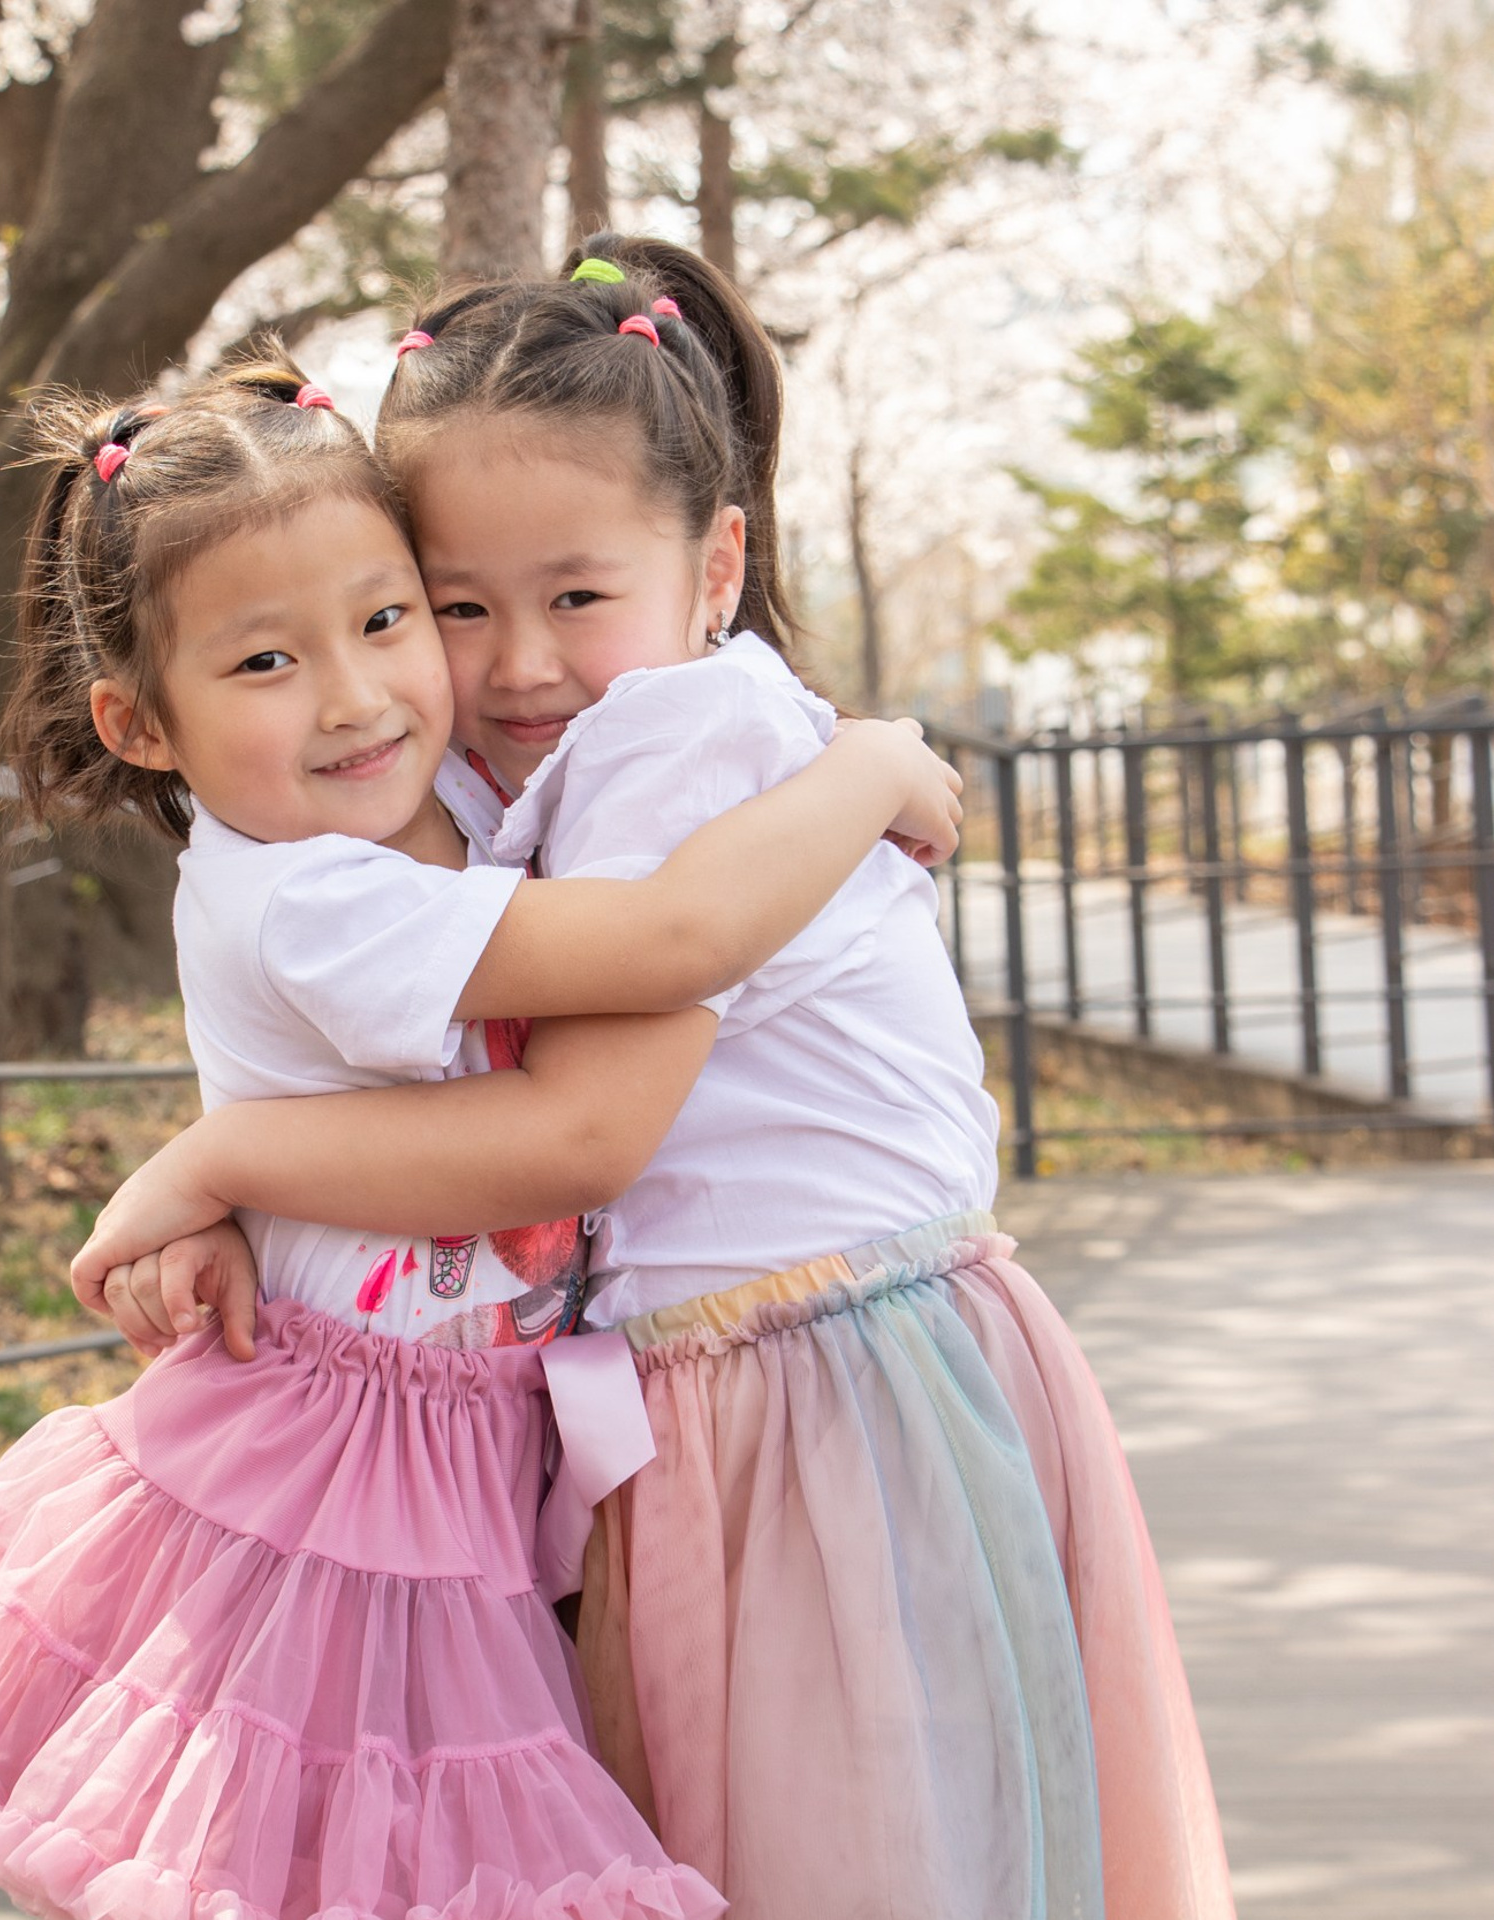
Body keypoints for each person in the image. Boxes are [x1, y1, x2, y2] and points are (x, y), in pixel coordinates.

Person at [73, 240, 1238, 1920]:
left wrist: (224, 1158)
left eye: (575, 596)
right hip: (755, 1375)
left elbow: (599, 1097)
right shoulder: (511, 787)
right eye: (460, 608)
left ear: (718, 564)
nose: (522, 662)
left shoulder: (669, 748)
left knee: (842, 1854)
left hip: (806, 1381)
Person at [0, 354, 966, 1920]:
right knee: (333, 1863)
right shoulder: (319, 895)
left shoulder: (434, 802)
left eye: (390, 620)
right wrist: (869, 762)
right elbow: (666, 945)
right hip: (347, 1469)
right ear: (139, 722)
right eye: (265, 663)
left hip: (460, 1444)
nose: (353, 696)